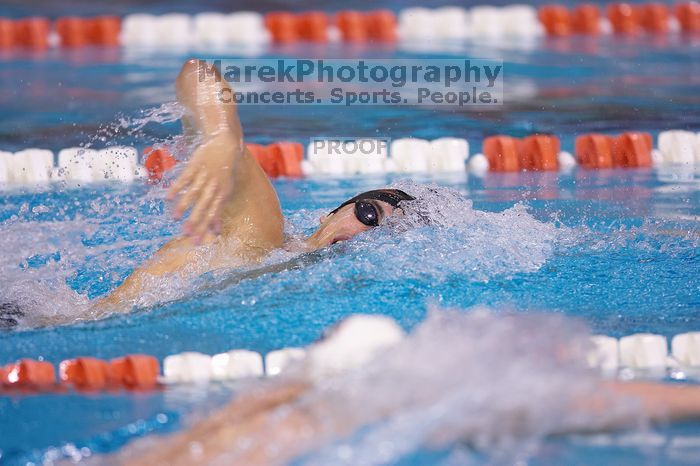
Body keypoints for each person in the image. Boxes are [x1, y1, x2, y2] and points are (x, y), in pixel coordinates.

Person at [91, 59, 414, 312]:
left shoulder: (294, 279)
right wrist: (222, 136)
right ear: (327, 215)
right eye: (369, 214)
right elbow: (197, 74)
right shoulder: (262, 236)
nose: (369, 234)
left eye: (387, 237)